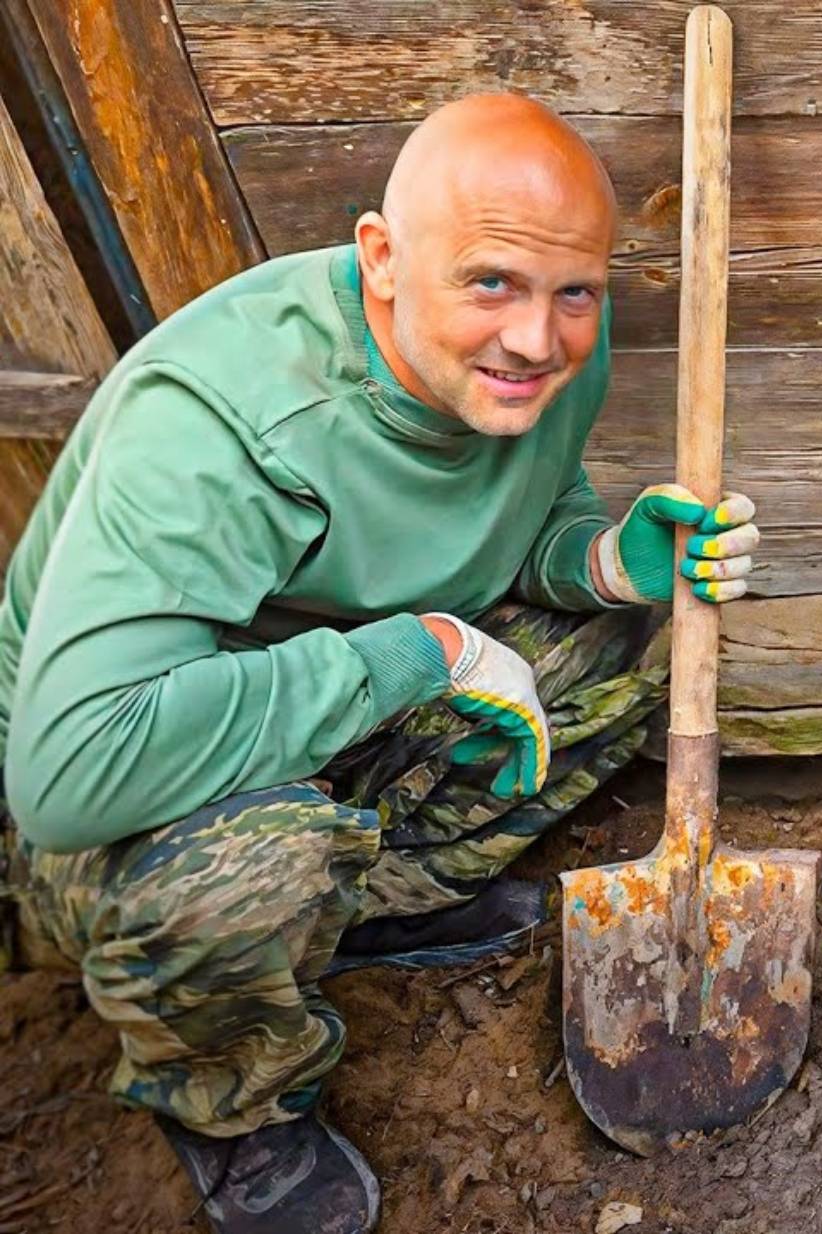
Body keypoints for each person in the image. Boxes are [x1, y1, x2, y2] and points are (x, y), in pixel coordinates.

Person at [0, 94, 757, 1234]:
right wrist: (427, 651)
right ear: (383, 259)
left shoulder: (546, 361)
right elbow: (71, 775)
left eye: (573, 293)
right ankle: (231, 1101)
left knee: (625, 643)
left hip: (326, 702)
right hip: (126, 789)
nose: (537, 338)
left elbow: (521, 527)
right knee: (248, 869)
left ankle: (355, 907)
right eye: (490, 282)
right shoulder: (216, 424)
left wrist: (603, 561)